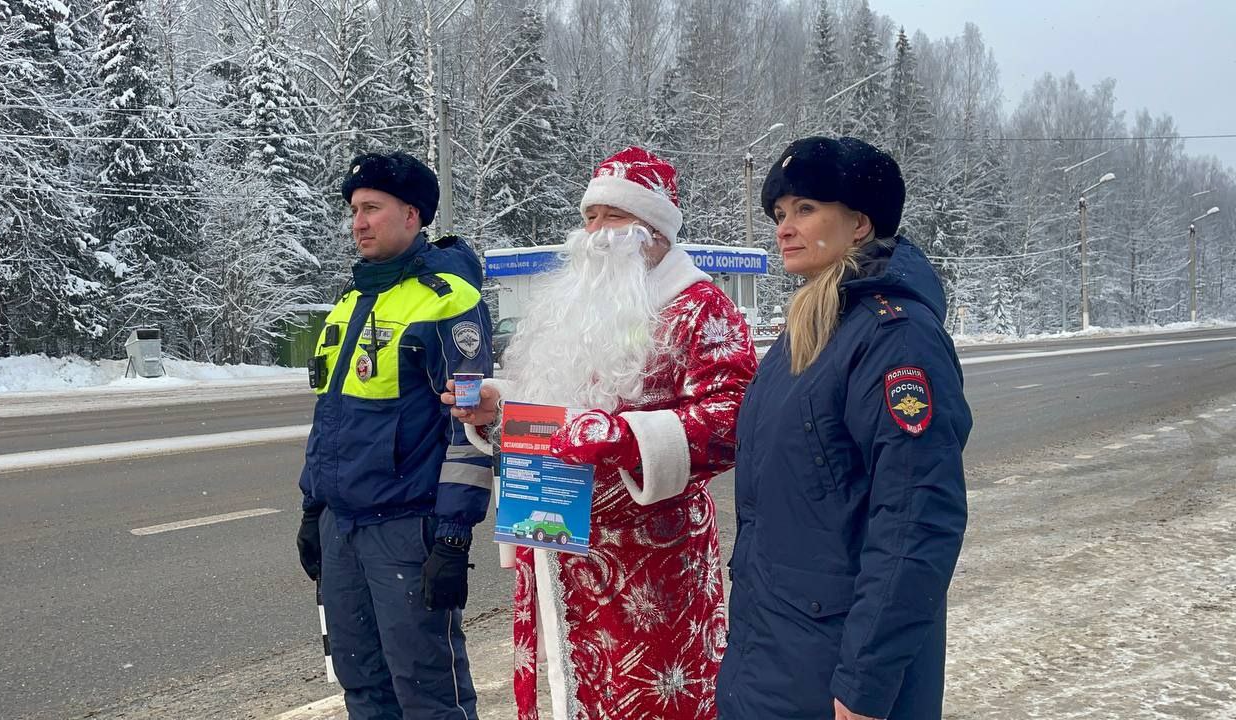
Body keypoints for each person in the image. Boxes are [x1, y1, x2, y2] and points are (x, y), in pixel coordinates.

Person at [446, 147, 757, 719]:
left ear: (654, 229)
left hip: (653, 563)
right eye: (589, 216)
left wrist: (622, 437)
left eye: (613, 216)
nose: (594, 233)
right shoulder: (580, 305)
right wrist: (501, 408)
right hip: (562, 541)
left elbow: (733, 418)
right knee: (578, 692)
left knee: (651, 702)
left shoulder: (700, 306)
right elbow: (565, 414)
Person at [717, 137, 973, 720]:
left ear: (860, 223)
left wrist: (865, 684)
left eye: (805, 209)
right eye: (779, 214)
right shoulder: (810, 329)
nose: (785, 228)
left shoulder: (896, 339)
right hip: (775, 654)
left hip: (837, 673)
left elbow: (916, 520)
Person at [295, 150, 494, 719]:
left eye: (372, 208)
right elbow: (330, 417)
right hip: (342, 528)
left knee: (428, 694)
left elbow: (471, 431)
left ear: (412, 214)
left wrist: (453, 536)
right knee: (362, 686)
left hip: (407, 529)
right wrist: (313, 508)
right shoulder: (352, 301)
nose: (358, 223)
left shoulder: (448, 301)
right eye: (354, 210)